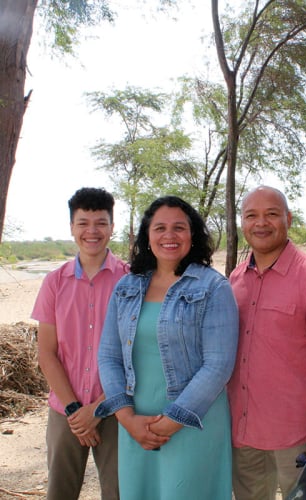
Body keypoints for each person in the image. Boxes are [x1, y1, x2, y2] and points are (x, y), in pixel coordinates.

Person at [95, 195, 239, 499]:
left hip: (193, 422)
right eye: (160, 228)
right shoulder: (127, 286)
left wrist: (173, 421)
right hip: (135, 422)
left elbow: (218, 365)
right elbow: (108, 356)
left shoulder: (213, 287)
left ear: (193, 234)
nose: (169, 235)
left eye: (179, 227)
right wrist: (126, 418)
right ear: (147, 236)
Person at [227, 185, 306, 500]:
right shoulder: (236, 280)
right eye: (251, 215)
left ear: (288, 219)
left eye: (271, 214)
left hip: (296, 434)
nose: (260, 223)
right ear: (242, 222)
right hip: (243, 432)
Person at [32, 187, 128, 500]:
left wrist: (98, 409)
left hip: (117, 410)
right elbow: (47, 353)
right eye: (83, 223)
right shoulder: (54, 282)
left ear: (112, 227)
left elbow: (135, 355)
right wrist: (76, 411)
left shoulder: (130, 280)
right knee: (59, 492)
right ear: (72, 227)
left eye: (100, 223)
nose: (92, 231)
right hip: (65, 411)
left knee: (119, 492)